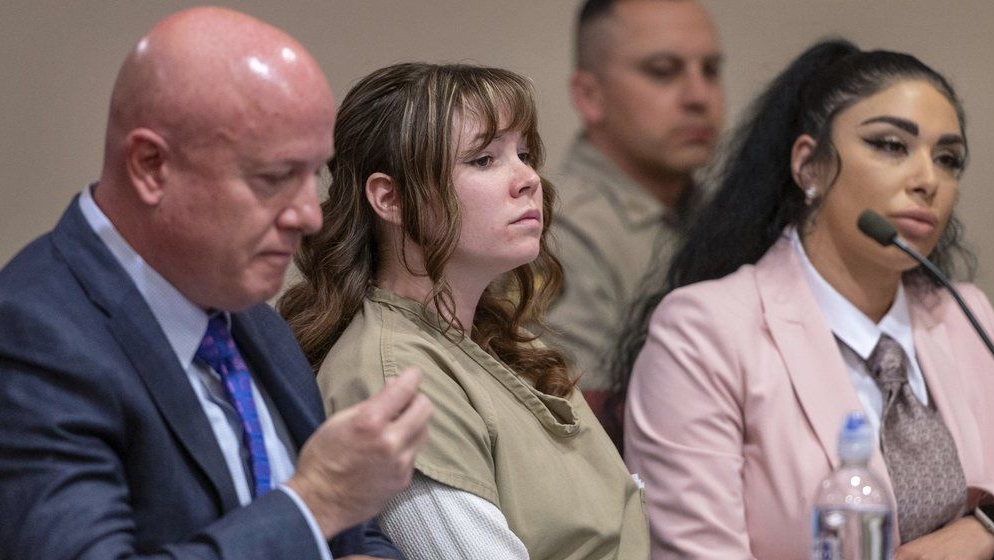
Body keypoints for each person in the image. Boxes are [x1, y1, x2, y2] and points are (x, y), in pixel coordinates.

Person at [0, 8, 432, 560]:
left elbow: (356, 530)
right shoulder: (32, 336)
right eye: (275, 178)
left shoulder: (245, 313)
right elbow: (324, 503)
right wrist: (314, 503)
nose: (309, 214)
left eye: (313, 174)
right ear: (152, 166)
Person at [617, 38, 994, 558]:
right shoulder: (703, 332)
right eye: (890, 145)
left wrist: (982, 530)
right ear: (809, 166)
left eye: (948, 158)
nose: (928, 179)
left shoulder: (966, 315)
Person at [279, 62, 650, 560]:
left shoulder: (504, 339)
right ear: (391, 199)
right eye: (483, 160)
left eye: (523, 154)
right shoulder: (391, 373)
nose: (527, 179)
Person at [544, 0, 725, 416]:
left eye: (711, 71)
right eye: (663, 71)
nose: (699, 96)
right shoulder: (558, 231)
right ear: (590, 96)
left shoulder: (718, 214)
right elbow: (578, 421)